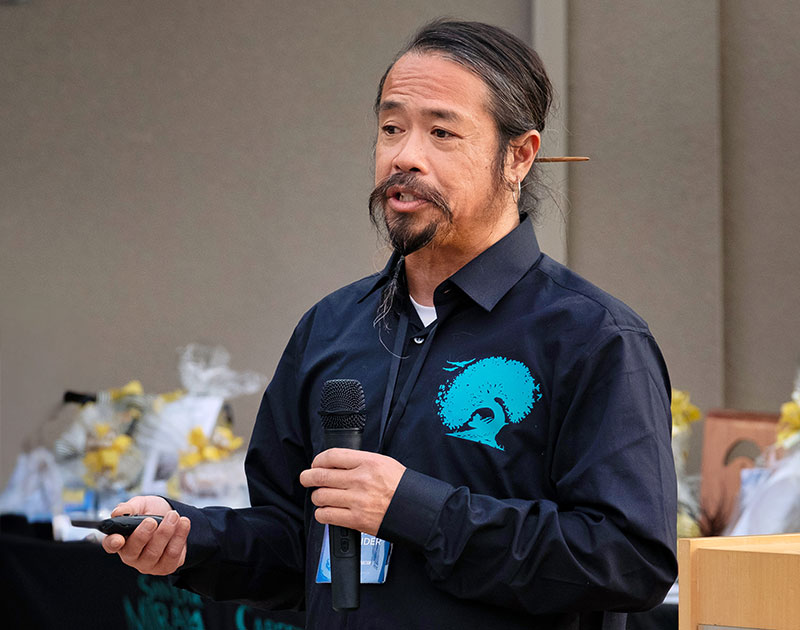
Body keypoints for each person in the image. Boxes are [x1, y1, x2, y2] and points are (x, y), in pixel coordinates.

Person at [103, 20, 677, 629]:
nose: (404, 155)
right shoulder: (331, 327)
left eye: (442, 132)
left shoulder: (592, 337)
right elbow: (296, 545)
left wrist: (416, 509)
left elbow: (628, 560)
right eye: (391, 127)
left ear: (519, 156)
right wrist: (193, 538)